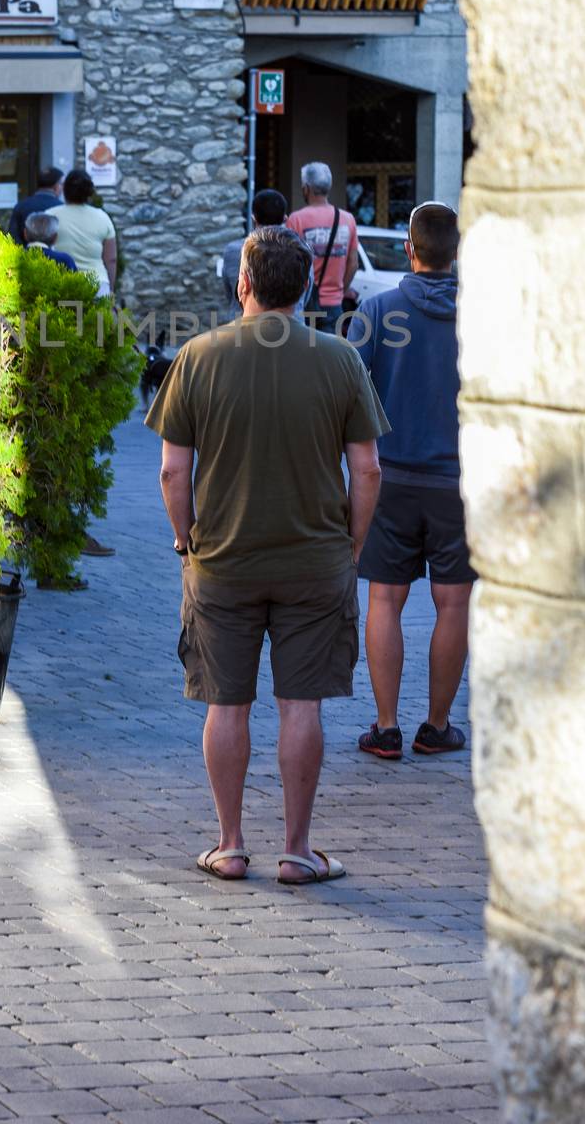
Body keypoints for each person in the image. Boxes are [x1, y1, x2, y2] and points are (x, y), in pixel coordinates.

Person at [146, 226, 389, 884]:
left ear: (243, 284)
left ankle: (227, 844)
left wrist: (184, 534)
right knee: (300, 705)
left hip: (223, 561)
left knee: (227, 705)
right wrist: (353, 541)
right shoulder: (340, 359)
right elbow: (367, 469)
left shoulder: (198, 356)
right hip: (316, 561)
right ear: (306, 285)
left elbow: (173, 470)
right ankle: (298, 850)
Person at [353, 201, 473, 760]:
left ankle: (385, 727)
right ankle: (438, 724)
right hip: (460, 482)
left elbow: (349, 400)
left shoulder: (376, 312)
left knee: (385, 597)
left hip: (390, 477)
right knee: (454, 604)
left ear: (409, 247)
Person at [287, 162, 359, 334]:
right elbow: (354, 263)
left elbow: (289, 264)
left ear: (306, 188)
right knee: (329, 357)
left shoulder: (296, 220)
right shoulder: (347, 219)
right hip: (334, 304)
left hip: (305, 304)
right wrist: (340, 289)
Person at [219, 188, 287, 319]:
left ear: (253, 218)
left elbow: (230, 294)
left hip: (241, 324)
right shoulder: (301, 250)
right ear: (285, 219)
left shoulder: (233, 251)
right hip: (288, 327)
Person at [52, 168, 117, 296]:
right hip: (97, 285)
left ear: (64, 190)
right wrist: (111, 289)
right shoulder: (102, 217)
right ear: (89, 192)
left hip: (61, 285)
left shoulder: (50, 216)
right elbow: (111, 259)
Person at [9, 167, 63, 246]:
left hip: (26, 256)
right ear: (56, 186)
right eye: (61, 184)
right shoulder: (61, 207)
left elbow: (13, 237)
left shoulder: (21, 206)